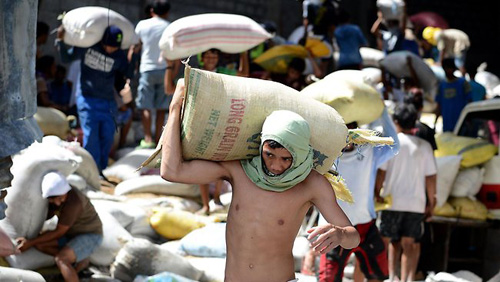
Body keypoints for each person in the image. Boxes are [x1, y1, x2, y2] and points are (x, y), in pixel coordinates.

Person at [161, 81, 360, 281]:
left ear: (299, 154)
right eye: (269, 155)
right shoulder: (240, 170)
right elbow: (172, 171)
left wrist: (340, 234)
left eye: (286, 159)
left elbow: (354, 237)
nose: (275, 165)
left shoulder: (311, 184)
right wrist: (175, 108)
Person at [317, 108, 399, 282]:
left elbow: (394, 146)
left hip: (365, 225)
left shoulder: (369, 152)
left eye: (352, 131)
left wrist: (382, 112)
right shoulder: (324, 156)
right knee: (328, 278)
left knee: (378, 273)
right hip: (333, 228)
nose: (348, 137)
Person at [165, 48, 249, 215]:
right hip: (200, 124)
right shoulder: (195, 75)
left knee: (220, 161)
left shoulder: (223, 73)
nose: (211, 59)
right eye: (208, 56)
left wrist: (243, 54)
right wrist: (170, 67)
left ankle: (216, 198)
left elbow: (243, 74)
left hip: (221, 123)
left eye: (214, 56)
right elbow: (170, 89)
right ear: (202, 59)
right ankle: (205, 205)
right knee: (200, 163)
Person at [56, 25, 138, 173]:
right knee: (91, 136)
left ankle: (102, 169)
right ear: (103, 41)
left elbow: (128, 72)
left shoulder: (119, 55)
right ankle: (91, 171)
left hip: (108, 102)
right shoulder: (88, 47)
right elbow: (66, 57)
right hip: (87, 99)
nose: (111, 50)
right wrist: (61, 40)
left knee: (107, 137)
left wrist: (134, 54)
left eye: (115, 47)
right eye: (109, 46)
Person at [375, 104, 437, 282]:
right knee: (410, 243)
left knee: (393, 241)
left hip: (391, 201)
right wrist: (431, 202)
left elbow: (381, 172)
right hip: (415, 203)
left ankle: (392, 276)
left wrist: (377, 192)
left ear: (396, 122)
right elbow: (431, 177)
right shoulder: (425, 146)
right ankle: (407, 279)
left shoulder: (391, 144)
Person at [16, 171, 103, 282]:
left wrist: (30, 242)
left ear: (65, 191)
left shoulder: (74, 202)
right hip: (71, 235)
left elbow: (59, 232)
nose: (57, 203)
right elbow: (49, 215)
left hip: (90, 235)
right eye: (54, 199)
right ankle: (78, 260)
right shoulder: (58, 196)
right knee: (40, 245)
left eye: (60, 198)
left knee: (61, 259)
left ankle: (74, 260)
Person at [134, 0, 171, 149]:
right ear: (167, 12)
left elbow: (136, 46)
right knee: (162, 107)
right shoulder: (169, 27)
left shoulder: (142, 25)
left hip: (147, 69)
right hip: (164, 70)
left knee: (145, 106)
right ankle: (158, 140)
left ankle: (148, 139)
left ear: (151, 11)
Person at [434, 58, 472, 132]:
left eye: (449, 68)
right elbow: (439, 105)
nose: (447, 70)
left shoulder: (463, 83)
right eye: (445, 68)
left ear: (453, 69)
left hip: (461, 124)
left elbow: (470, 102)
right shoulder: (441, 85)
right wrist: (435, 122)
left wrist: (469, 120)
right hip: (447, 124)